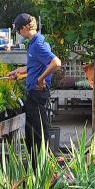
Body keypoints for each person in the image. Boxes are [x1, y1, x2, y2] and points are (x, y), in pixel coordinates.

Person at [8, 13, 61, 152]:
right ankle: (35, 169)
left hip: (37, 95)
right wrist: (20, 72)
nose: (18, 33)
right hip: (33, 95)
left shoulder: (37, 44)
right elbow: (37, 65)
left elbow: (55, 62)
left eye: (19, 30)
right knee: (31, 137)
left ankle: (43, 169)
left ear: (25, 27)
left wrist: (40, 79)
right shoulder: (34, 43)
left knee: (38, 136)